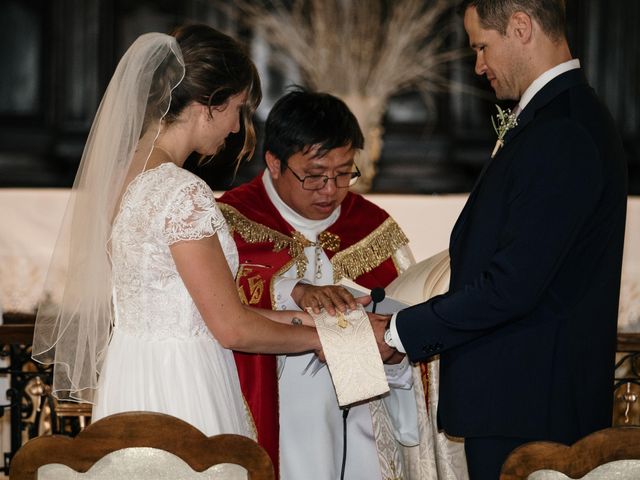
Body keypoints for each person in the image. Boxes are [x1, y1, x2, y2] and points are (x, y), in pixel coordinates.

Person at [372, 0, 628, 478]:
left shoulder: (563, 131)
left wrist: (397, 334)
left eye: (482, 47)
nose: (479, 65)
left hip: (533, 412)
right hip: (524, 402)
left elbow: (512, 286)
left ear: (521, 27)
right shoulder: (555, 119)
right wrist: (391, 305)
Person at [32, 25, 322, 441]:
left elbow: (193, 308)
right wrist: (319, 342)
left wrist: (310, 322)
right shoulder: (181, 192)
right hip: (182, 383)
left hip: (132, 371)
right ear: (208, 104)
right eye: (237, 108)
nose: (237, 128)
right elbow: (231, 327)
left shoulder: (120, 177)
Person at [218, 89, 419, 480]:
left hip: (363, 431)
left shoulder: (374, 229)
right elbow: (213, 316)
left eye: (344, 173)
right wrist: (292, 289)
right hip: (271, 426)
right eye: (314, 175)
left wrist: (395, 353)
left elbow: (409, 339)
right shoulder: (228, 223)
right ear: (274, 163)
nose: (331, 190)